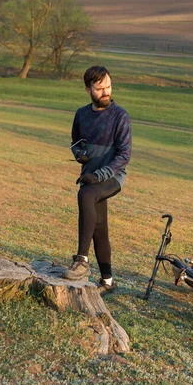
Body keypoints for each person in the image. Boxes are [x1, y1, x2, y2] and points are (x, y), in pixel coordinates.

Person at [61, 66, 131, 295]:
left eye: (108, 87)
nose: (105, 92)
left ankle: (81, 260)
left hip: (112, 177)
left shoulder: (120, 116)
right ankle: (108, 282)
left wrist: (98, 175)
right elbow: (75, 141)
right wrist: (79, 154)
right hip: (89, 175)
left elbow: (124, 155)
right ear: (88, 89)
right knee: (99, 228)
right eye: (100, 88)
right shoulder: (81, 114)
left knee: (86, 195)